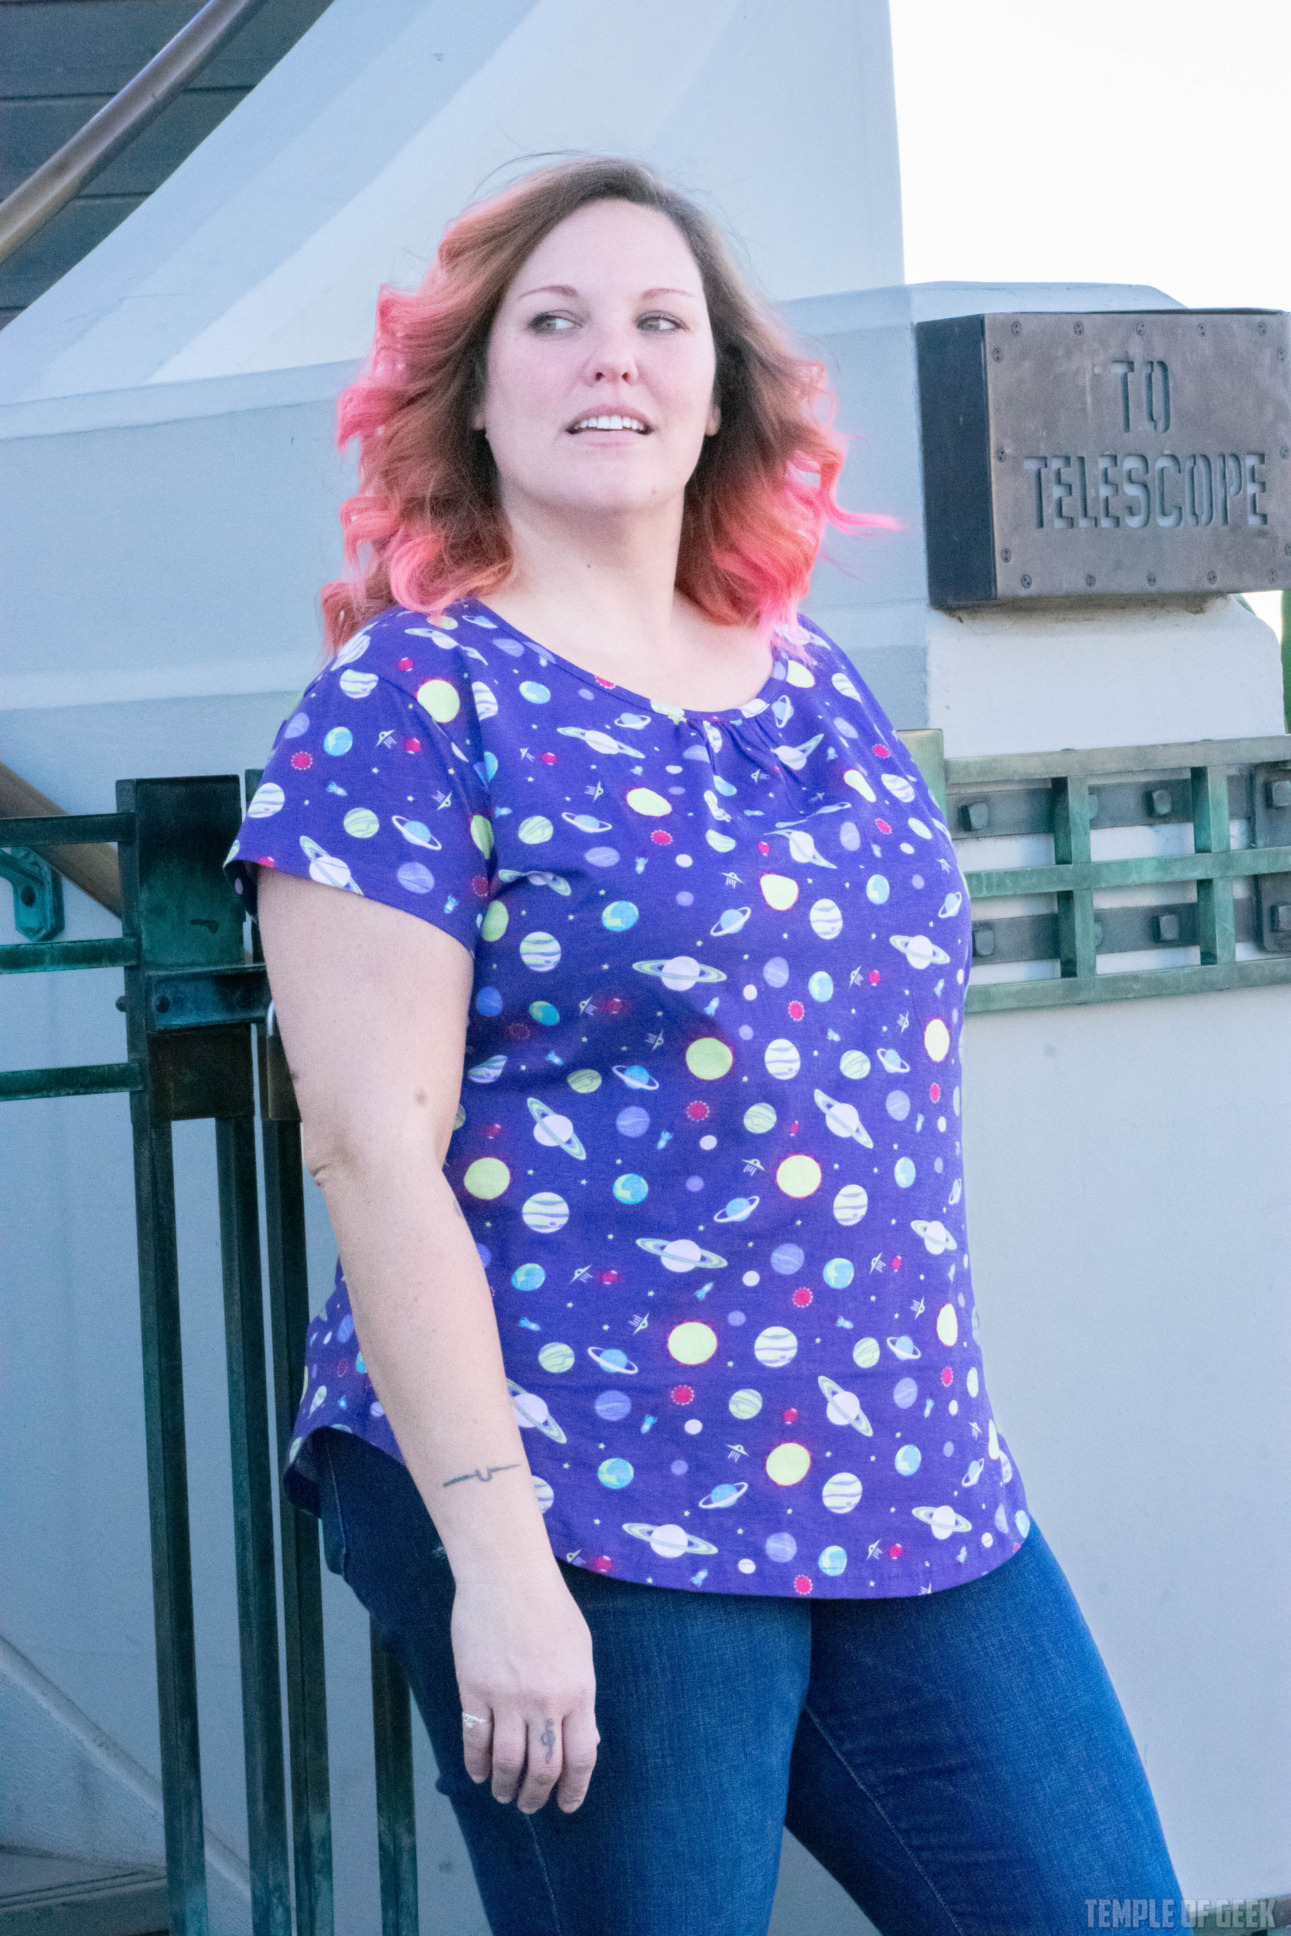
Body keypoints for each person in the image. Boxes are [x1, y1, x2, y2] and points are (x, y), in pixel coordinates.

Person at [226, 157, 1182, 1936]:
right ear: (477, 383)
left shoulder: (806, 675)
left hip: (908, 1475)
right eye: (557, 320)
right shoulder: (412, 704)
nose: (615, 357)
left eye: (662, 321)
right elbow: (369, 1147)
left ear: (721, 388)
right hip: (590, 1486)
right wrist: (496, 1565)